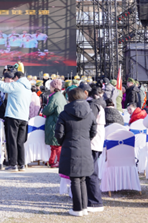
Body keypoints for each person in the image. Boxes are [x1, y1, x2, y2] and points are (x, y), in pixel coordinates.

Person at [55, 88, 97, 216]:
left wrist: (65, 142)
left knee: (75, 179)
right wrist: (85, 140)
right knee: (83, 179)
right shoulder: (90, 112)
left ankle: (77, 209)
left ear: (70, 98)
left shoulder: (64, 113)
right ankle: (83, 208)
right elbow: (94, 131)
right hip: (85, 147)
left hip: (70, 147)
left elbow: (58, 134)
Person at [0, 70, 31, 171]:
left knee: (12, 141)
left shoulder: (17, 85)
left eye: (14, 78)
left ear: (17, 77)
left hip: (14, 116)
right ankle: (21, 164)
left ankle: (13, 164)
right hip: (24, 117)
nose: (12, 80)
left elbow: (3, 87)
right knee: (20, 142)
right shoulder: (28, 88)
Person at [86, 87, 106, 212]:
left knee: (91, 172)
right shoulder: (100, 104)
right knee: (92, 171)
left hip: (93, 142)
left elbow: (90, 124)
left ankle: (95, 201)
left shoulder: (94, 105)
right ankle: (93, 200)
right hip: (97, 142)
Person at [42, 79, 66, 168]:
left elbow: (48, 110)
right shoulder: (61, 96)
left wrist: (43, 111)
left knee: (56, 145)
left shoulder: (54, 97)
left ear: (54, 87)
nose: (49, 88)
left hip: (54, 122)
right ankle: (52, 161)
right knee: (55, 145)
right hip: (58, 121)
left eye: (51, 86)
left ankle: (58, 161)